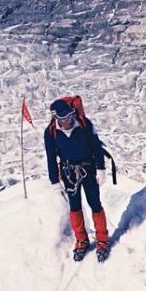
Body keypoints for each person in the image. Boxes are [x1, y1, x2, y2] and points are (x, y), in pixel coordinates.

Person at [44, 99, 110, 262]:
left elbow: (96, 146)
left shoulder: (83, 123)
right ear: (56, 117)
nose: (68, 120)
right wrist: (55, 182)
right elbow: (51, 158)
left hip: (88, 169)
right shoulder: (51, 132)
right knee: (74, 206)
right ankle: (81, 239)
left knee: (95, 203)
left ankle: (102, 240)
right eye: (64, 118)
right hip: (68, 173)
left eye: (69, 116)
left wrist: (101, 169)